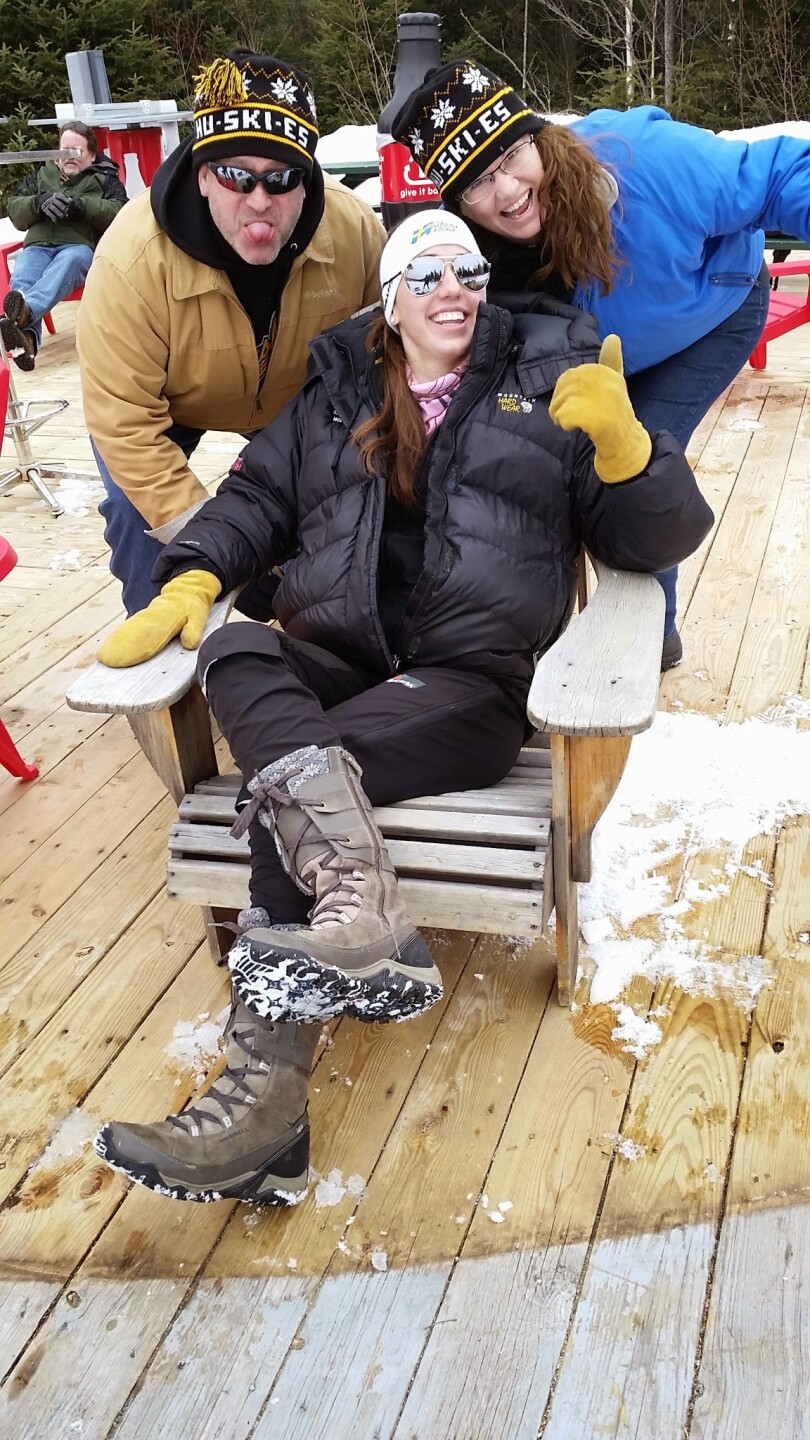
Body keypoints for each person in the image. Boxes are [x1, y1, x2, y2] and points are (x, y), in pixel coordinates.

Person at [91, 209, 713, 1207]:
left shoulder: (550, 378)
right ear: (390, 299)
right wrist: (191, 578)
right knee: (244, 649)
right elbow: (252, 502)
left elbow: (655, 542)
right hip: (341, 653)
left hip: (471, 683)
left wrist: (632, 453)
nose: (454, 288)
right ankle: (360, 911)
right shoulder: (334, 394)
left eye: (468, 270)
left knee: (291, 777)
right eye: (425, 275)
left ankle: (261, 1113)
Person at [391, 60, 810, 669]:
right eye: (479, 180)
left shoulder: (645, 162)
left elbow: (781, 174)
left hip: (707, 312)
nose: (506, 191)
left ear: (537, 138)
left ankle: (645, 640)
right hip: (591, 345)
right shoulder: (475, 259)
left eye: (510, 158)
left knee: (634, 459)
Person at [76, 49, 385, 618]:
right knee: (135, 515)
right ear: (202, 177)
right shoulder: (132, 256)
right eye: (236, 176)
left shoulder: (355, 232)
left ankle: (333, 644)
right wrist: (219, 544)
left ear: (309, 179)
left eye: (283, 178)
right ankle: (162, 660)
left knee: (354, 498)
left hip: (295, 404)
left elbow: (380, 363)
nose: (259, 201)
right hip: (164, 410)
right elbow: (124, 422)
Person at [1, 121, 126, 372]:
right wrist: (38, 202)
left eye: (76, 151)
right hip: (38, 245)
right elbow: (14, 208)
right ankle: (27, 339)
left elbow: (121, 212)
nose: (68, 157)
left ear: (91, 154)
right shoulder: (41, 175)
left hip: (77, 246)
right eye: (63, 150)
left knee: (70, 261)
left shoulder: (104, 178)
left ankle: (27, 315)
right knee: (24, 275)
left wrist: (80, 207)